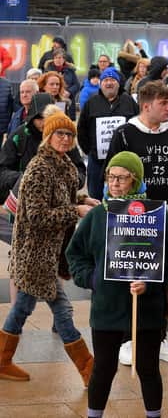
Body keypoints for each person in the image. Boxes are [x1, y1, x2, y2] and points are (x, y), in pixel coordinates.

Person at [66, 151, 168, 418]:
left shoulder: (155, 215)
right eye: (111, 176)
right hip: (107, 306)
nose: (115, 182)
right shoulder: (97, 216)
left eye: (122, 177)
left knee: (148, 368)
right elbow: (75, 255)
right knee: (103, 369)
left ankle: (154, 414)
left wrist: (151, 283)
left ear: (136, 180)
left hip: (146, 307)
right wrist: (93, 278)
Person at [0, 111, 97, 386]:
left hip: (50, 252)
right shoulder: (39, 169)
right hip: (35, 252)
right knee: (62, 309)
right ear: (48, 136)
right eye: (59, 134)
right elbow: (37, 214)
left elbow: (61, 194)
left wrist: (85, 199)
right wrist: (75, 210)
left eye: (69, 135)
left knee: (21, 308)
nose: (65, 139)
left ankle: (2, 360)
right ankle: (88, 368)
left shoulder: (62, 164)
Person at [105, 81, 168, 366]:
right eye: (164, 103)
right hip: (131, 216)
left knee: (162, 279)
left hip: (166, 214)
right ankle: (128, 340)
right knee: (130, 276)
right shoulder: (125, 134)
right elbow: (111, 176)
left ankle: (158, 337)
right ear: (147, 105)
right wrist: (113, 212)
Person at [77, 67, 138, 200]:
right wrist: (90, 150)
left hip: (123, 162)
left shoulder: (129, 102)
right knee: (96, 196)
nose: (109, 83)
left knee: (121, 198)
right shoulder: (91, 103)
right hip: (97, 162)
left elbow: (137, 125)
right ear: (100, 83)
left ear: (118, 83)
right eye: (105, 80)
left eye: (112, 80)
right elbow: (82, 129)